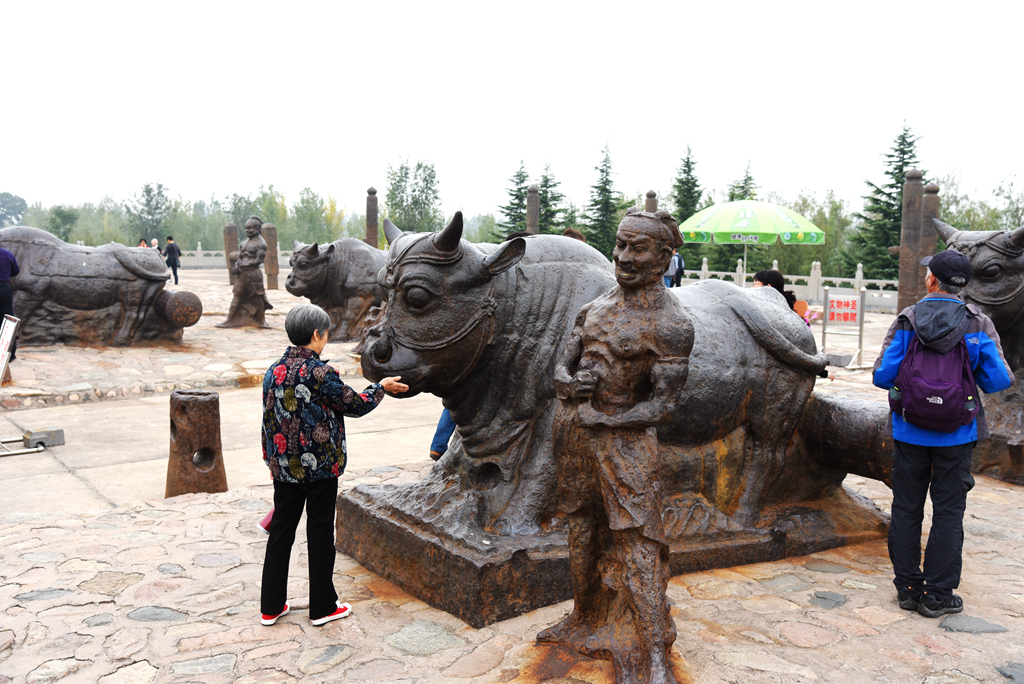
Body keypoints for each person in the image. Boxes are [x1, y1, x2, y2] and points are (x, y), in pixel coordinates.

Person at [541, 207, 692, 684]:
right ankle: (583, 616)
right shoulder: (597, 306)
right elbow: (560, 366)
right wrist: (568, 385)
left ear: (665, 256)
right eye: (620, 244)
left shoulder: (671, 324)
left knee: (640, 542)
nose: (623, 256)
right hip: (574, 434)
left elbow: (664, 407)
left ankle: (652, 652)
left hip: (625, 445)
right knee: (579, 527)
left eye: (638, 247)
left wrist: (610, 416)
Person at [873, 250, 1013, 618]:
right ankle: (937, 595)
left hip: (909, 431)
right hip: (957, 433)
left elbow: (882, 376)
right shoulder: (977, 323)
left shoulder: (908, 319)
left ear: (932, 280)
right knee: (949, 511)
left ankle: (907, 588)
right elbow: (999, 379)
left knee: (906, 507)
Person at [260, 304, 408, 627]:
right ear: (316, 334)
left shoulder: (273, 371)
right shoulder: (320, 373)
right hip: (320, 469)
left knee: (281, 533)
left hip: (283, 468)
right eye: (325, 333)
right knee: (320, 532)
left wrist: (271, 461)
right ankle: (323, 607)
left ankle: (270, 607)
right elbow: (354, 404)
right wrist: (380, 388)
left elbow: (268, 419)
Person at [217, 216, 274, 328]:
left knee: (258, 298)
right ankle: (230, 319)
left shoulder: (261, 244)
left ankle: (261, 321)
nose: (247, 230)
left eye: (250, 228)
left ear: (257, 228)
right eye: (246, 228)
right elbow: (240, 258)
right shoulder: (243, 244)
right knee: (237, 296)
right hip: (241, 275)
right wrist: (237, 267)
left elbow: (258, 260)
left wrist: (244, 265)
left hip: (254, 275)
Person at [0, 243, 20, 364]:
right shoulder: (7, 255)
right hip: (4, 288)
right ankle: (9, 353)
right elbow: (15, 271)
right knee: (7, 319)